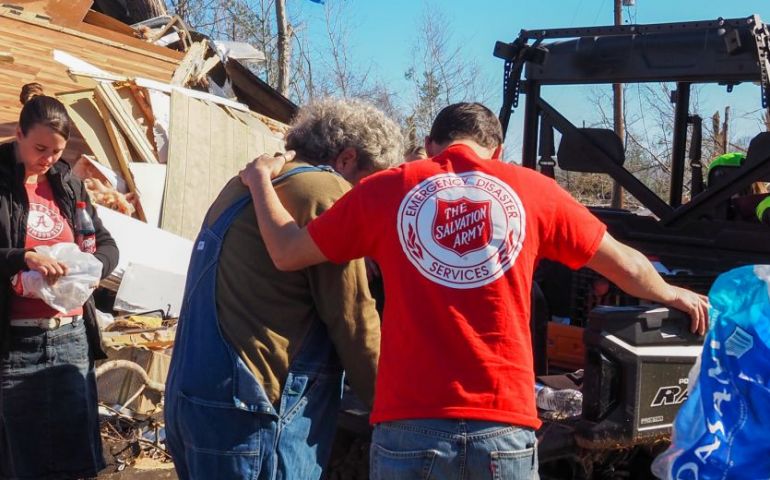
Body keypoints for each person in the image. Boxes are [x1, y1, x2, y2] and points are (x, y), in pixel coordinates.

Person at [239, 102, 709, 479]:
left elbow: (286, 251)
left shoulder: (386, 189)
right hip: (503, 427)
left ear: (429, 146)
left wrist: (260, 179)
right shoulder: (535, 191)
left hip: (409, 426)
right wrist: (672, 294)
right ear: (497, 151)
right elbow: (624, 262)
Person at [165, 98, 403, 480]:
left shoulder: (244, 184)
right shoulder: (324, 190)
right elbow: (353, 318)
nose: (370, 204)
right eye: (371, 185)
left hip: (193, 399)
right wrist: (395, 409)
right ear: (346, 160)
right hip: (253, 413)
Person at [0, 83, 119, 479]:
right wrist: (23, 257)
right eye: (40, 149)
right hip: (14, 344)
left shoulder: (67, 183)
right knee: (21, 461)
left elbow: (106, 244)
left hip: (71, 339)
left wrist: (92, 267)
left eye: (56, 151)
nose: (48, 159)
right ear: (19, 133)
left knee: (74, 461)